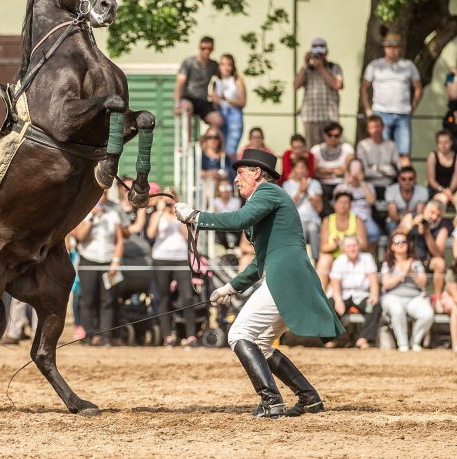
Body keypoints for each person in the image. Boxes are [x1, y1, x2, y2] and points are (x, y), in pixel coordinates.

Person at [175, 148, 344, 418]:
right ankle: (309, 398)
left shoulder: (268, 192)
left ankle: (271, 401)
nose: (235, 179)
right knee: (262, 344)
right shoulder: (266, 198)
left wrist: (196, 217)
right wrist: (231, 287)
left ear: (256, 173)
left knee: (239, 334)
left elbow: (238, 220)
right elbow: (261, 260)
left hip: (285, 279)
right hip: (287, 277)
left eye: (240, 172)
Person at [71, 192, 126, 346]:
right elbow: (80, 236)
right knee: (87, 299)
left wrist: (116, 261)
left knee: (107, 300)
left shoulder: (113, 214)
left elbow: (119, 240)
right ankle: (89, 335)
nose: (100, 198)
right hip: (89, 259)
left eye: (102, 195)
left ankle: (105, 335)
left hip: (108, 261)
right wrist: (91, 218)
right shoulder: (83, 213)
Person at [360, 32, 423, 166]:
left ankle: (405, 182)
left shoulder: (408, 65)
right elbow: (364, 87)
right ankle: (384, 183)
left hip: (403, 114)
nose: (392, 50)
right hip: (381, 113)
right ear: (384, 48)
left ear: (400, 48)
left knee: (404, 153)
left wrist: (413, 107)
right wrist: (367, 109)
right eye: (389, 47)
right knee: (382, 151)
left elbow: (418, 87)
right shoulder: (375, 65)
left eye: (396, 47)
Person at [147, 193, 196, 347]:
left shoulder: (181, 215)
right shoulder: (157, 215)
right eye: (165, 199)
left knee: (187, 296)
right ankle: (167, 335)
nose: (167, 202)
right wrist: (160, 212)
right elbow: (150, 234)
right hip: (161, 258)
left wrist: (179, 217)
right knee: (163, 297)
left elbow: (188, 236)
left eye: (170, 199)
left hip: (181, 258)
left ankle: (191, 335)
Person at [379, 231, 434, 351]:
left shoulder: (415, 263)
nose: (401, 244)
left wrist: (410, 272)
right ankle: (402, 344)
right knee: (397, 310)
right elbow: (386, 284)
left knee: (427, 314)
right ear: (392, 246)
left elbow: (423, 282)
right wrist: (402, 273)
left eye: (404, 241)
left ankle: (415, 342)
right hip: (392, 296)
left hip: (414, 297)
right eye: (397, 242)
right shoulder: (388, 264)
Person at [327, 235, 381, 349]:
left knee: (375, 305)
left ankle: (363, 338)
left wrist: (374, 295)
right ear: (344, 248)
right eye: (349, 246)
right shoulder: (339, 260)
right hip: (343, 294)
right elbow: (335, 283)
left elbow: (373, 279)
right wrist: (338, 300)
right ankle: (330, 339)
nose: (352, 249)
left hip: (362, 295)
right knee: (329, 304)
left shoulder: (367, 258)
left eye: (355, 245)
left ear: (359, 246)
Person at [399, 198, 451, 313]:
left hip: (426, 261)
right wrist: (412, 224)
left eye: (438, 215)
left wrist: (427, 234)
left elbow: (438, 253)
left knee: (440, 262)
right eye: (432, 213)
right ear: (424, 210)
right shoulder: (411, 217)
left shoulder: (442, 228)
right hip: (407, 259)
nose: (434, 217)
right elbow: (397, 236)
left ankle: (437, 300)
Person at [293, 37, 344, 147]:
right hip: (311, 117)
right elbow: (295, 86)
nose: (319, 56)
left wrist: (321, 68)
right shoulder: (307, 69)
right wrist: (305, 64)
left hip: (330, 117)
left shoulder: (334, 67)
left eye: (321, 54)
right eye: (316, 54)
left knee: (331, 148)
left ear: (326, 53)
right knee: (312, 149)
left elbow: (337, 85)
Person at [316, 191, 367, 291]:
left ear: (351, 205)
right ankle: (321, 293)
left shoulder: (357, 220)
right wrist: (335, 245)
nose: (343, 205)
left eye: (346, 202)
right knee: (324, 260)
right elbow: (323, 248)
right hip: (334, 255)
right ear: (334, 204)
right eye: (340, 202)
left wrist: (348, 248)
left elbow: (364, 245)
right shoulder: (327, 220)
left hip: (352, 255)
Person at [174, 36, 223, 128]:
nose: (206, 51)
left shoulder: (213, 65)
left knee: (218, 121)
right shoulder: (189, 62)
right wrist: (177, 104)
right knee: (187, 108)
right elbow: (180, 82)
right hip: (188, 98)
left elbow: (223, 78)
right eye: (203, 48)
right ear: (199, 47)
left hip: (203, 100)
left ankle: (205, 140)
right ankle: (187, 141)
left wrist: (214, 93)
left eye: (209, 49)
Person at [281, 157, 323, 261]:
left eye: (303, 167)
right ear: (293, 169)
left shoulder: (315, 184)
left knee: (313, 228)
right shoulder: (287, 185)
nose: (301, 170)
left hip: (313, 219)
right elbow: (288, 208)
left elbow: (318, 208)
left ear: (307, 169)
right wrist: (300, 191)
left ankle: (315, 259)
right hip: (296, 220)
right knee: (302, 227)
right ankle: (301, 260)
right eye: (298, 167)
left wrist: (307, 191)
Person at [333, 159, 381, 246]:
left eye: (358, 172)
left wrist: (361, 182)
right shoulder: (341, 187)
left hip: (365, 219)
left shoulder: (368, 186)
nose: (355, 175)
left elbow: (371, 201)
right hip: (348, 219)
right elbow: (338, 204)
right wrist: (347, 182)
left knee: (375, 234)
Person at [310, 121, 354, 216]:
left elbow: (348, 169)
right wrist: (337, 170)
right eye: (330, 135)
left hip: (342, 183)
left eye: (336, 135)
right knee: (318, 191)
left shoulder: (347, 148)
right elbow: (315, 172)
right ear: (324, 134)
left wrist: (325, 170)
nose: (333, 138)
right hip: (322, 184)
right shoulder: (316, 149)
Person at [355, 115, 400, 199]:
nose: (375, 130)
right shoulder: (362, 145)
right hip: (369, 185)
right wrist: (385, 171)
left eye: (377, 126)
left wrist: (374, 168)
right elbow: (364, 171)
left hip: (388, 185)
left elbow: (394, 172)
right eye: (372, 127)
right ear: (367, 129)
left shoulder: (392, 145)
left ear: (383, 127)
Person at [210, 53, 246, 157]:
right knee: (220, 150)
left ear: (232, 66)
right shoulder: (216, 81)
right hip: (220, 115)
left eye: (229, 64)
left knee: (230, 150)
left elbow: (242, 102)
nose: (226, 67)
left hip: (234, 115)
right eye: (223, 64)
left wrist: (226, 99)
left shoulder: (237, 80)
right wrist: (214, 100)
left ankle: (231, 173)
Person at [384, 166, 428, 234]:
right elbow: (393, 215)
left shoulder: (423, 191)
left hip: (414, 220)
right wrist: (405, 220)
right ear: (398, 179)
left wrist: (409, 222)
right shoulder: (391, 190)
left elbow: (419, 214)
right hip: (395, 221)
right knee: (391, 226)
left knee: (418, 227)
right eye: (403, 179)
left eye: (410, 179)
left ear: (415, 179)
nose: (407, 182)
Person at [426, 130, 457, 200]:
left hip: (452, 190)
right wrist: (443, 190)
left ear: (451, 142)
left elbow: (456, 178)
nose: (443, 145)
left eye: (446, 142)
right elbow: (431, 180)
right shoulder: (432, 156)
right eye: (440, 142)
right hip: (436, 189)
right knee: (442, 198)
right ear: (437, 143)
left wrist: (449, 191)